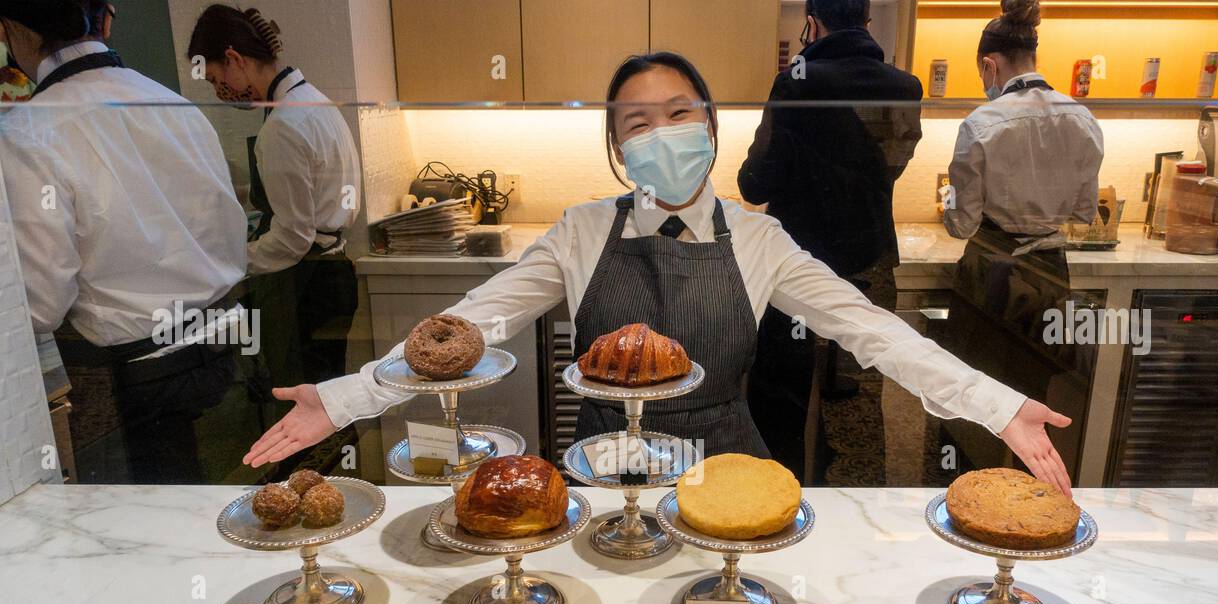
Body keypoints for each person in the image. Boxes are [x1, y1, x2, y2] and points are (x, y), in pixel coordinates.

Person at [244, 51, 1073, 495]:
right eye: (636, 122)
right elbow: (470, 324)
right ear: (615, 146)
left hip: (727, 476)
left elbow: (875, 331)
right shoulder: (578, 231)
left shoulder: (760, 238)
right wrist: (349, 395)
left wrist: (997, 408)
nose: (661, 133)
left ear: (711, 125)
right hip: (600, 475)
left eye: (679, 113)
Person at [0, 0, 248, 483]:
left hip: (136, 380)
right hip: (223, 343)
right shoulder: (171, 101)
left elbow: (42, 304)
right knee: (221, 504)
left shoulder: (27, 131)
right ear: (107, 19)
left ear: (10, 31)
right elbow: (227, 226)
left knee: (153, 536)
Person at [739, 0, 923, 482]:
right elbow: (889, 167)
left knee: (784, 395)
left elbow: (755, 183)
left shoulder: (797, 81)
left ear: (812, 23)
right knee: (858, 399)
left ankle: (780, 503)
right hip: (869, 265)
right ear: (866, 22)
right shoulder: (906, 87)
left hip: (797, 270)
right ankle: (854, 514)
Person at [941, 0, 1103, 479]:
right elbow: (1084, 212)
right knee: (1035, 394)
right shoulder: (1083, 118)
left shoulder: (982, 124)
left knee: (974, 396)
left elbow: (961, 223)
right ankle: (1029, 497)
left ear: (990, 64)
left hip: (992, 269)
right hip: (1050, 273)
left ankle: (969, 490)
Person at [188, 4, 361, 387]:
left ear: (234, 58)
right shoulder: (314, 101)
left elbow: (293, 238)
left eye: (216, 78)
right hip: (333, 276)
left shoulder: (282, 126)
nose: (220, 91)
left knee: (297, 400)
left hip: (303, 286)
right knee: (329, 396)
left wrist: (233, 260)